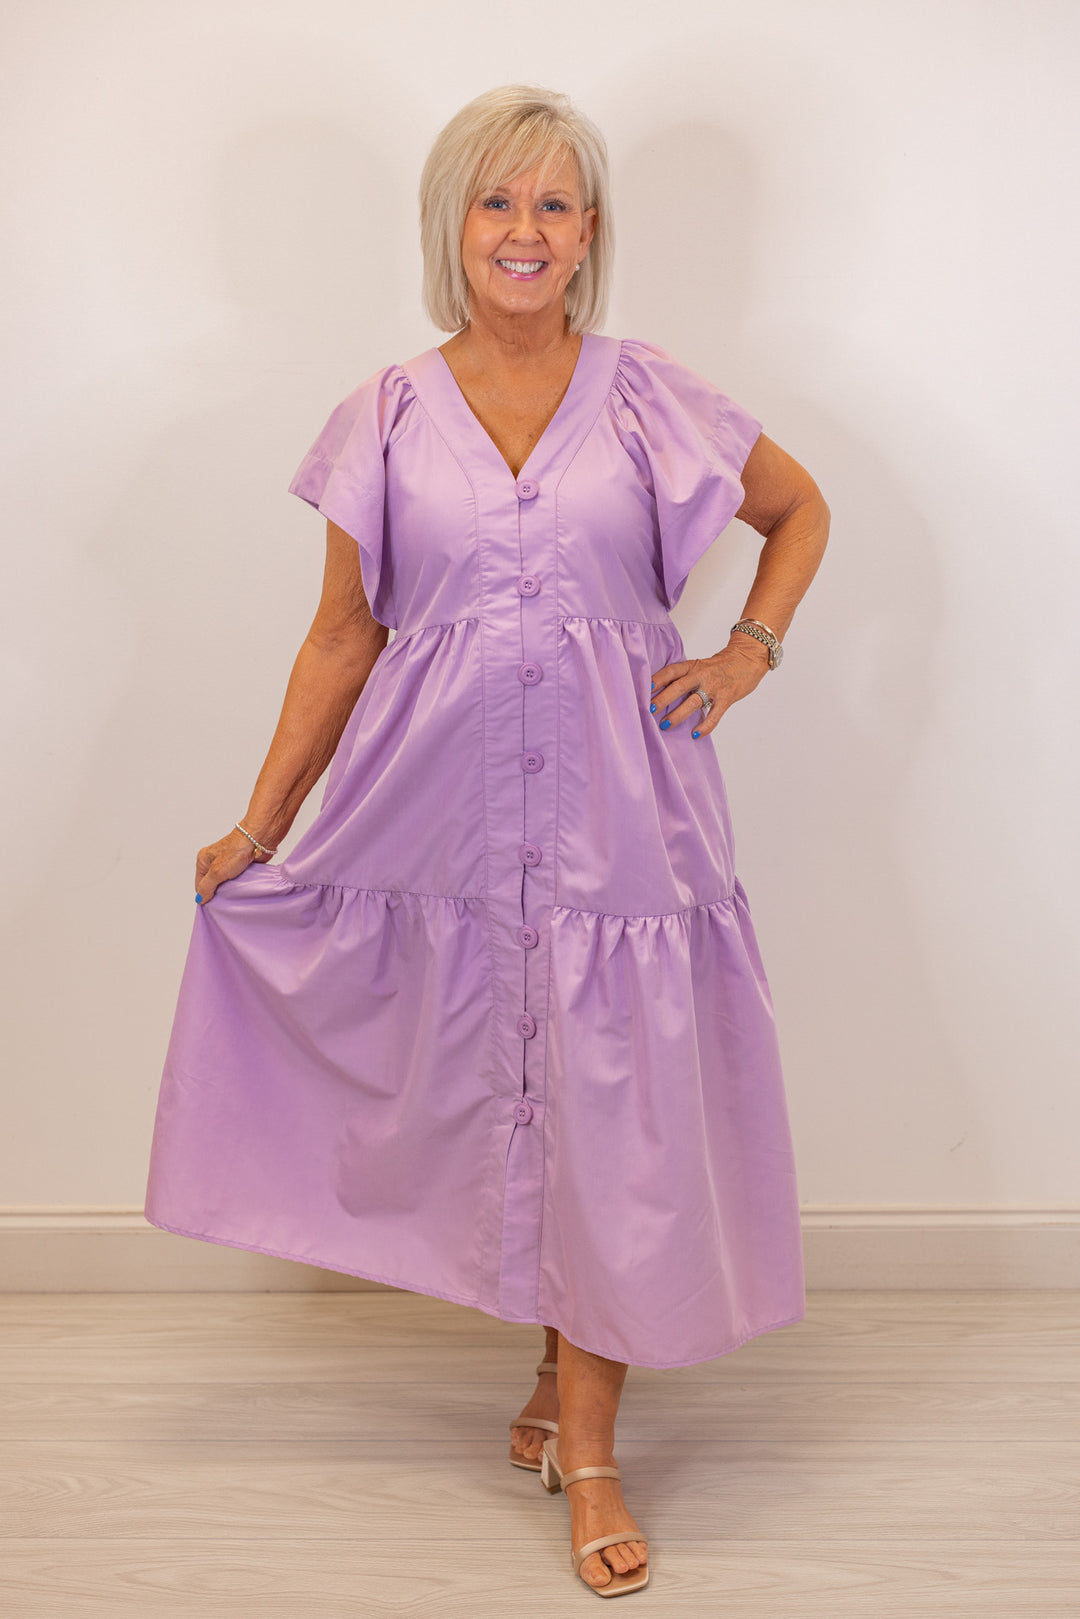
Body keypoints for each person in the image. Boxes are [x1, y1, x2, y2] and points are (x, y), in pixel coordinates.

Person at [143, 83, 830, 1597]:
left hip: (625, 819)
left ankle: (590, 1447)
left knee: (611, 1100)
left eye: (554, 204)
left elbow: (800, 512)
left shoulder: (650, 394)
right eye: (497, 202)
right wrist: (261, 823)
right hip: (440, 813)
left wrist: (745, 655)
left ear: (590, 233)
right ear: (452, 228)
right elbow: (343, 635)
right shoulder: (386, 413)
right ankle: (552, 1372)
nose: (526, 230)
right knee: (502, 1084)